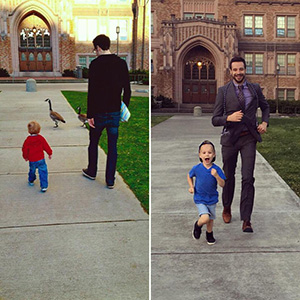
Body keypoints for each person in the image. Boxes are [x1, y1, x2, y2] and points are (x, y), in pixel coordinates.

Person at [212, 56, 270, 232]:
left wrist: (265, 122)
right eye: (235, 70)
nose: (238, 72)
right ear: (230, 72)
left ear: (245, 69)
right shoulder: (223, 91)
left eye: (241, 69)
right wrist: (228, 118)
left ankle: (246, 219)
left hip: (248, 138)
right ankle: (227, 206)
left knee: (247, 178)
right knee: (228, 176)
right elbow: (215, 119)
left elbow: (265, 107)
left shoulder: (254, 88)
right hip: (230, 139)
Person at [82, 34, 131, 189]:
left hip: (98, 113)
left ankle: (92, 171)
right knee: (112, 146)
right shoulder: (121, 63)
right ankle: (110, 179)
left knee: (94, 142)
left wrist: (90, 115)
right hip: (114, 111)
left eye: (94, 49)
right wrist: (124, 107)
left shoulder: (95, 65)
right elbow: (127, 90)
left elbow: (92, 92)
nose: (94, 52)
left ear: (98, 47)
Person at [187, 140, 225, 245]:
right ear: (200, 155)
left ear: (214, 154)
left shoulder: (216, 169)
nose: (207, 154)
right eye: (204, 153)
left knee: (210, 220)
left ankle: (209, 234)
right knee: (205, 217)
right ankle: (198, 225)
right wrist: (191, 186)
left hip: (212, 198)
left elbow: (222, 184)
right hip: (200, 198)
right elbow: (189, 176)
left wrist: (216, 176)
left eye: (209, 152)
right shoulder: (197, 168)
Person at [22, 121, 52, 192]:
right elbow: (46, 146)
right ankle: (44, 186)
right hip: (40, 159)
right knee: (43, 171)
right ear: (39, 130)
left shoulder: (28, 140)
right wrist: (49, 153)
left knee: (32, 170)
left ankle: (31, 180)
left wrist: (25, 156)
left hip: (32, 159)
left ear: (29, 131)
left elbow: (25, 149)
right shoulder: (41, 138)